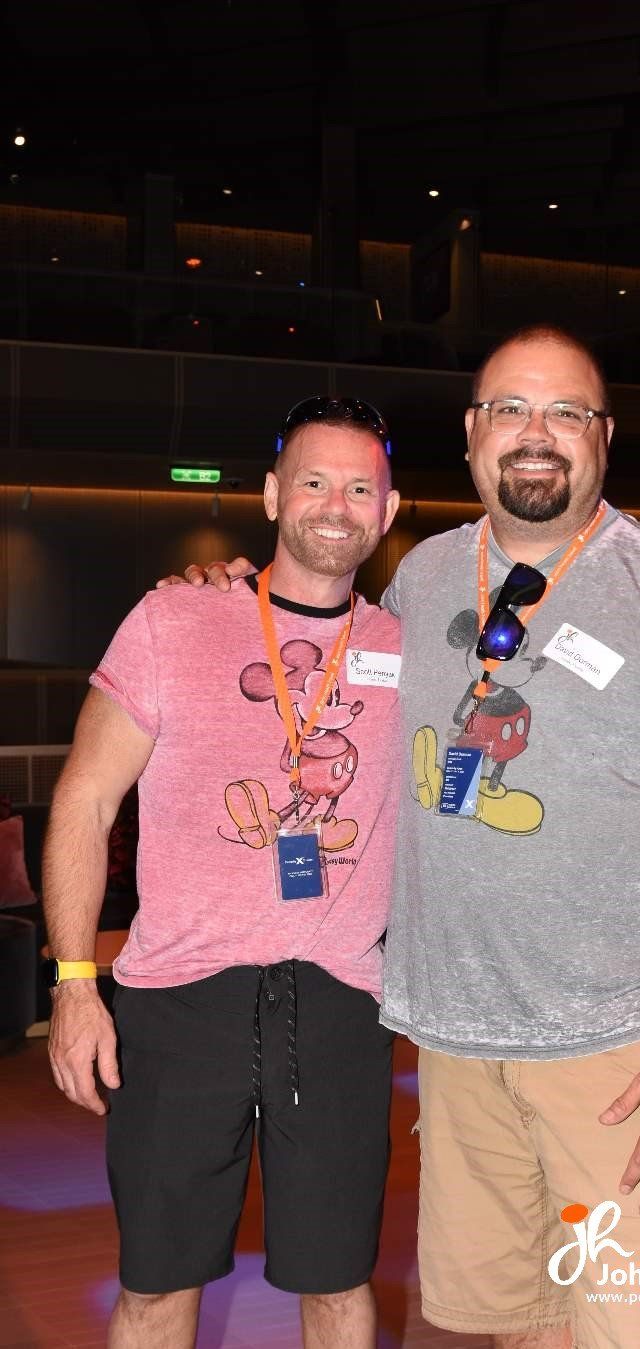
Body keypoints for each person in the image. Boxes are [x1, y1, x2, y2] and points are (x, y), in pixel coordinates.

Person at [170, 324, 640, 1349]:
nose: (537, 435)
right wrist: (222, 596)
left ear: (604, 437)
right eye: (511, 409)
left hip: (620, 1049)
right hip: (456, 1040)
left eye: (566, 413)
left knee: (635, 1326)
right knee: (517, 1323)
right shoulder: (420, 577)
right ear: (471, 433)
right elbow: (310, 658)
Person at [43, 396, 403, 1349]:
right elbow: (84, 802)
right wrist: (76, 983)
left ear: (390, 509)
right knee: (157, 1286)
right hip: (177, 999)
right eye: (316, 480)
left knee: (337, 1284)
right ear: (275, 494)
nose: (337, 503)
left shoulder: (412, 650)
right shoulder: (175, 617)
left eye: (360, 486)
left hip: (338, 1006)